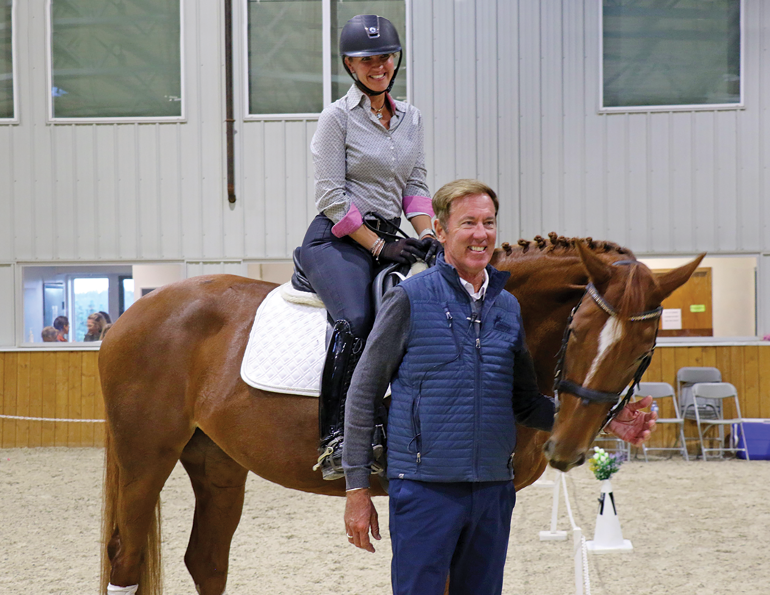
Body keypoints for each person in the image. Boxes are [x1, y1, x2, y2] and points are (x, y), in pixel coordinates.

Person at [342, 179, 657, 595]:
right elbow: (363, 393)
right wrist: (356, 490)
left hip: (492, 491)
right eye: (468, 222)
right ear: (440, 231)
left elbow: (525, 403)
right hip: (424, 488)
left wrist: (609, 421)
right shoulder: (410, 298)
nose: (481, 234)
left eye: (489, 222)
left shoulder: (508, 307)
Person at [300, 14, 441, 480]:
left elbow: (415, 185)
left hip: (391, 238)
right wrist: (379, 247)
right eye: (368, 59)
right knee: (358, 320)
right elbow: (331, 198)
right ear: (350, 65)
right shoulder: (336, 118)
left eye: (385, 57)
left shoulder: (411, 118)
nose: (379, 66)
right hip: (337, 240)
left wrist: (427, 235)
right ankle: (336, 438)